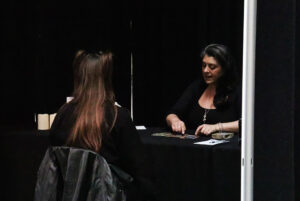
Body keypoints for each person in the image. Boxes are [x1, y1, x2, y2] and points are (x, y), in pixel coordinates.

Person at [49, 50, 156, 201]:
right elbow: (141, 174)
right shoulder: (118, 117)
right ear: (107, 78)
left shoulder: (63, 114)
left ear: (78, 77)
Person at [166, 44, 241, 135]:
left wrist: (216, 127)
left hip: (226, 148)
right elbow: (172, 113)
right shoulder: (197, 87)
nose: (205, 70)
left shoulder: (237, 91)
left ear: (225, 68)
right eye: (204, 65)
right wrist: (175, 121)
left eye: (212, 67)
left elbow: (247, 123)